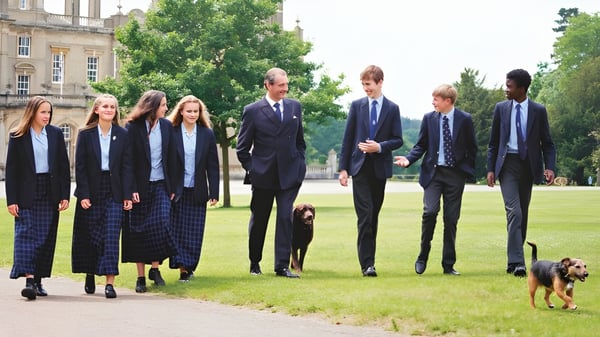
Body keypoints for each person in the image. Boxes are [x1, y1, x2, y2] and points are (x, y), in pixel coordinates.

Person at [394, 84, 477, 275]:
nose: (433, 102)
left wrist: (465, 170)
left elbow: (472, 148)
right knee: (430, 212)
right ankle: (422, 256)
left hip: (455, 175)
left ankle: (448, 265)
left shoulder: (464, 119)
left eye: (436, 99)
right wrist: (408, 159)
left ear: (448, 101)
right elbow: (421, 145)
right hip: (433, 174)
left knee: (451, 219)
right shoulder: (429, 118)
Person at [236, 67, 307, 278]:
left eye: (286, 85)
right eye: (280, 85)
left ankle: (281, 266)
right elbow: (242, 148)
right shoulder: (253, 110)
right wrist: (253, 169)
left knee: (286, 218)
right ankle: (254, 262)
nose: (285, 89)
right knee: (260, 220)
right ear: (268, 85)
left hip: (290, 176)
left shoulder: (295, 106)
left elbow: (299, 141)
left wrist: (300, 164)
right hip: (263, 176)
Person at [487, 69, 556, 277]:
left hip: (529, 166)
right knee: (514, 212)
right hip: (507, 165)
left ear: (522, 89)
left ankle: (514, 262)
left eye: (509, 86)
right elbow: (493, 143)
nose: (506, 89)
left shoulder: (538, 110)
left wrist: (550, 167)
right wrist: (490, 168)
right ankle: (517, 262)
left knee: (522, 215)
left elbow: (548, 143)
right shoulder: (501, 109)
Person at [338, 65, 403, 277]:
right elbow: (348, 138)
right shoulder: (356, 106)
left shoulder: (392, 108)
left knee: (373, 216)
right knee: (364, 216)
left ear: (380, 82)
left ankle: (370, 261)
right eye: (363, 84)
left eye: (369, 84)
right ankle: (367, 265)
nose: (365, 88)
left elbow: (398, 139)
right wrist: (343, 168)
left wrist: (380, 147)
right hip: (359, 169)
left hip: (380, 170)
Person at [5, 96, 71, 300]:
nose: (47, 116)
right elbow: (12, 170)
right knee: (26, 236)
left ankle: (39, 280)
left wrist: (64, 195)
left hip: (49, 191)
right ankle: (29, 281)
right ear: (32, 112)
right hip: (26, 192)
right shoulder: (18, 135)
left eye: (49, 112)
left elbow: (62, 166)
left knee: (44, 237)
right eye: (43, 112)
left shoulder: (55, 134)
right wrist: (11, 200)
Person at [71, 94, 133, 299]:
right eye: (105, 106)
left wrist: (126, 195)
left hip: (114, 191)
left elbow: (126, 167)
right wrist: (84, 194)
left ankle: (109, 283)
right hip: (92, 190)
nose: (109, 109)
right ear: (96, 109)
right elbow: (80, 168)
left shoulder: (123, 135)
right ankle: (90, 271)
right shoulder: (85, 134)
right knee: (92, 235)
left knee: (111, 236)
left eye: (112, 107)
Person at [122, 90, 177, 292]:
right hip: (140, 188)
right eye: (163, 105)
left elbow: (171, 158)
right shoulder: (133, 127)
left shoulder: (167, 126)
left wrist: (172, 187)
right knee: (139, 231)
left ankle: (155, 267)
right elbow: (127, 162)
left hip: (161, 185)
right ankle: (141, 277)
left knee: (161, 225)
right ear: (153, 107)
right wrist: (131, 189)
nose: (166, 108)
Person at [167, 95, 219, 282]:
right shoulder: (171, 132)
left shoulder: (206, 134)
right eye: (189, 111)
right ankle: (182, 266)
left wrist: (214, 192)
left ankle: (189, 266)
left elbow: (212, 165)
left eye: (196, 111)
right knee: (177, 231)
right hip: (176, 191)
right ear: (181, 111)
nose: (192, 114)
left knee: (194, 233)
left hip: (198, 192)